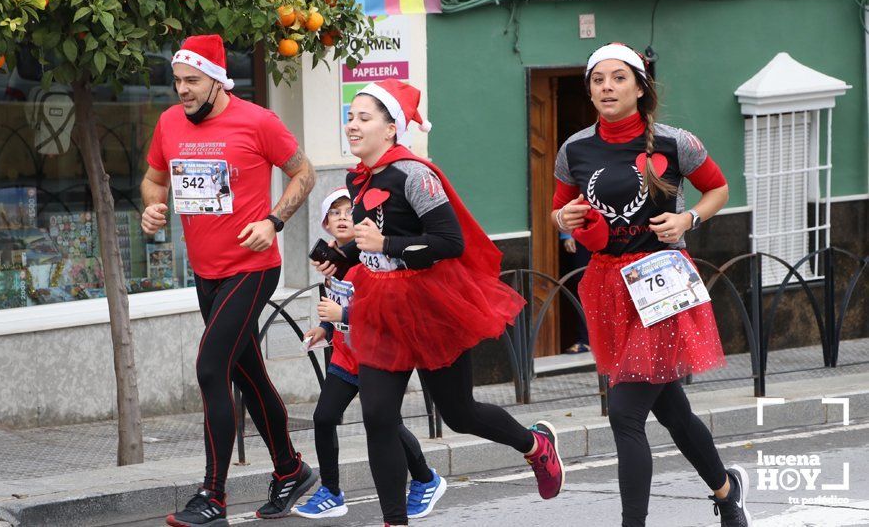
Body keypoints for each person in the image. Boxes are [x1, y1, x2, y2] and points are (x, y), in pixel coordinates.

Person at [315, 79, 565, 527]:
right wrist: (341, 255)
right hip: (380, 304)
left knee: (459, 414)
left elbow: (448, 241)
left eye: (364, 117)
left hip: (430, 304)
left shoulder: (415, 174)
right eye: (351, 117)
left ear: (391, 128)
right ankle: (395, 521)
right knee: (377, 417)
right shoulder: (358, 178)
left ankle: (534, 445)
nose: (352, 125)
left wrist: (387, 243)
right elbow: (367, 239)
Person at [551, 42, 752, 527]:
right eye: (598, 80)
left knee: (624, 412)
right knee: (672, 411)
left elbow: (719, 188)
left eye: (618, 78)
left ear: (640, 87)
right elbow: (558, 210)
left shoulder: (674, 142)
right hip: (607, 286)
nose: (607, 88)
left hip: (662, 283)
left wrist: (688, 219)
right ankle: (727, 492)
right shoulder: (574, 149)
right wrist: (565, 217)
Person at [140, 34, 318, 527]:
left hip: (252, 268)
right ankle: (290, 469)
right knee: (248, 373)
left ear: (218, 80)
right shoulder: (169, 123)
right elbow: (155, 178)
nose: (182, 90)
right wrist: (152, 207)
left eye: (192, 81)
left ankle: (212, 496)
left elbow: (305, 172)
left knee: (210, 367)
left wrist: (274, 222)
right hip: (206, 273)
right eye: (177, 81)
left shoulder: (258, 121)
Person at [295, 188, 447, 520]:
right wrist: (325, 326)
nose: (342, 218)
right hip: (346, 355)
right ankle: (332, 492)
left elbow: (381, 308)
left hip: (378, 353)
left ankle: (425, 478)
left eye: (348, 211)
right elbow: (339, 298)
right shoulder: (333, 260)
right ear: (324, 224)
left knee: (386, 424)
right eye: (333, 213)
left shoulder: (371, 257)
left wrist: (342, 317)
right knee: (323, 417)